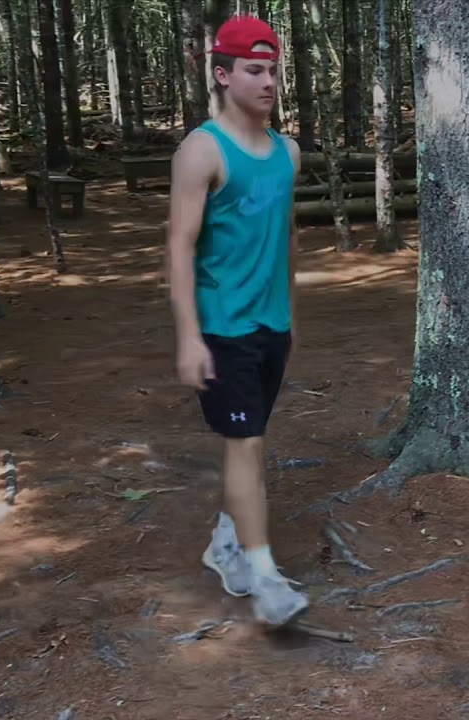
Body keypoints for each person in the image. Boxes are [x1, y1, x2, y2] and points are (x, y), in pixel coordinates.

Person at [164, 14, 308, 628]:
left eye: (273, 69)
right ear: (222, 75)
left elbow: (286, 238)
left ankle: (225, 543)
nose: (268, 80)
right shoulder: (201, 151)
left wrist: (290, 312)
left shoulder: (288, 152)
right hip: (223, 328)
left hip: (271, 325)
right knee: (245, 445)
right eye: (254, 70)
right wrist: (190, 337)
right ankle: (266, 577)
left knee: (248, 445)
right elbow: (178, 245)